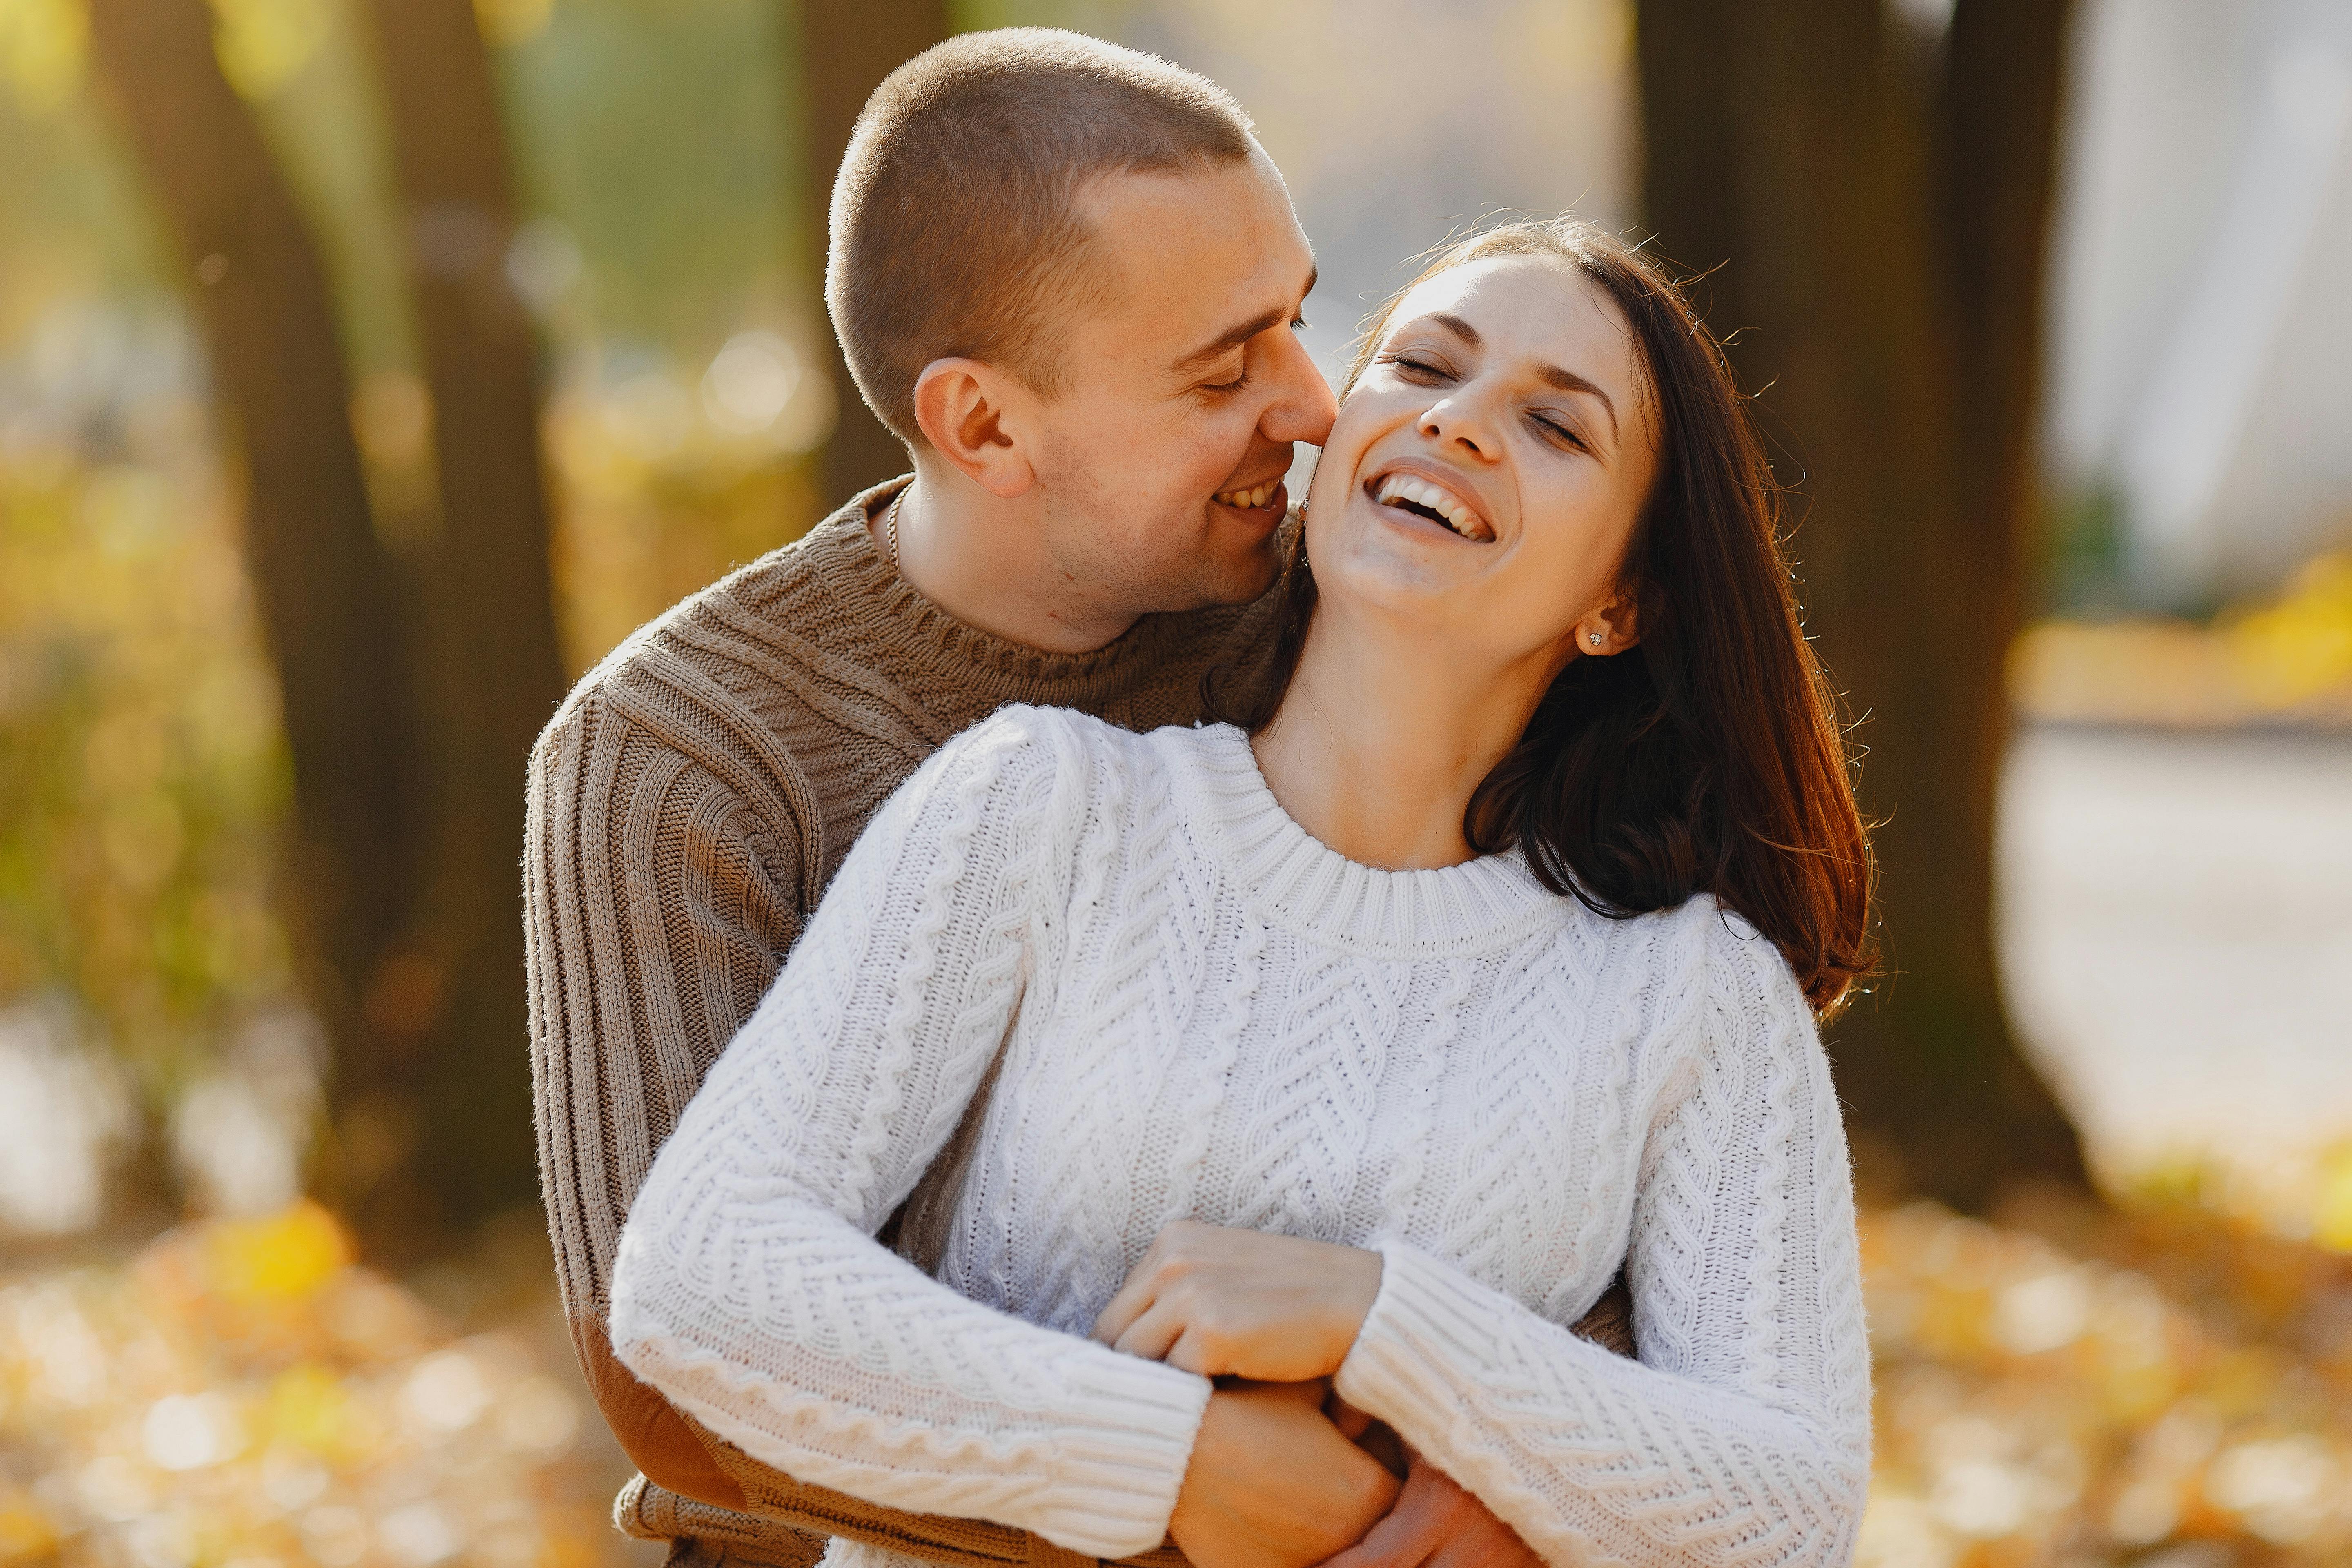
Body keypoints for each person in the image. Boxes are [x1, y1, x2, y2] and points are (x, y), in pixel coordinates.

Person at [606, 213, 1879, 1568]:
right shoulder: (1049, 810)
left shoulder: (1688, 993)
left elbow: (1792, 1508)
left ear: (1624, 601)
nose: (1456, 424)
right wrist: (1171, 1460)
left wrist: (1385, 1322)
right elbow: (702, 1278)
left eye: (1557, 427)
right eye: (1423, 367)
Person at [524, 27, 1617, 1568]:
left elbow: (1587, 1066)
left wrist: (1494, 1490)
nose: (1313, 404)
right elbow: (666, 1378)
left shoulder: (1326, 632)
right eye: (1223, 365)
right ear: (984, 425)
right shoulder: (683, 755)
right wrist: (1173, 1483)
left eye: (1301, 322)